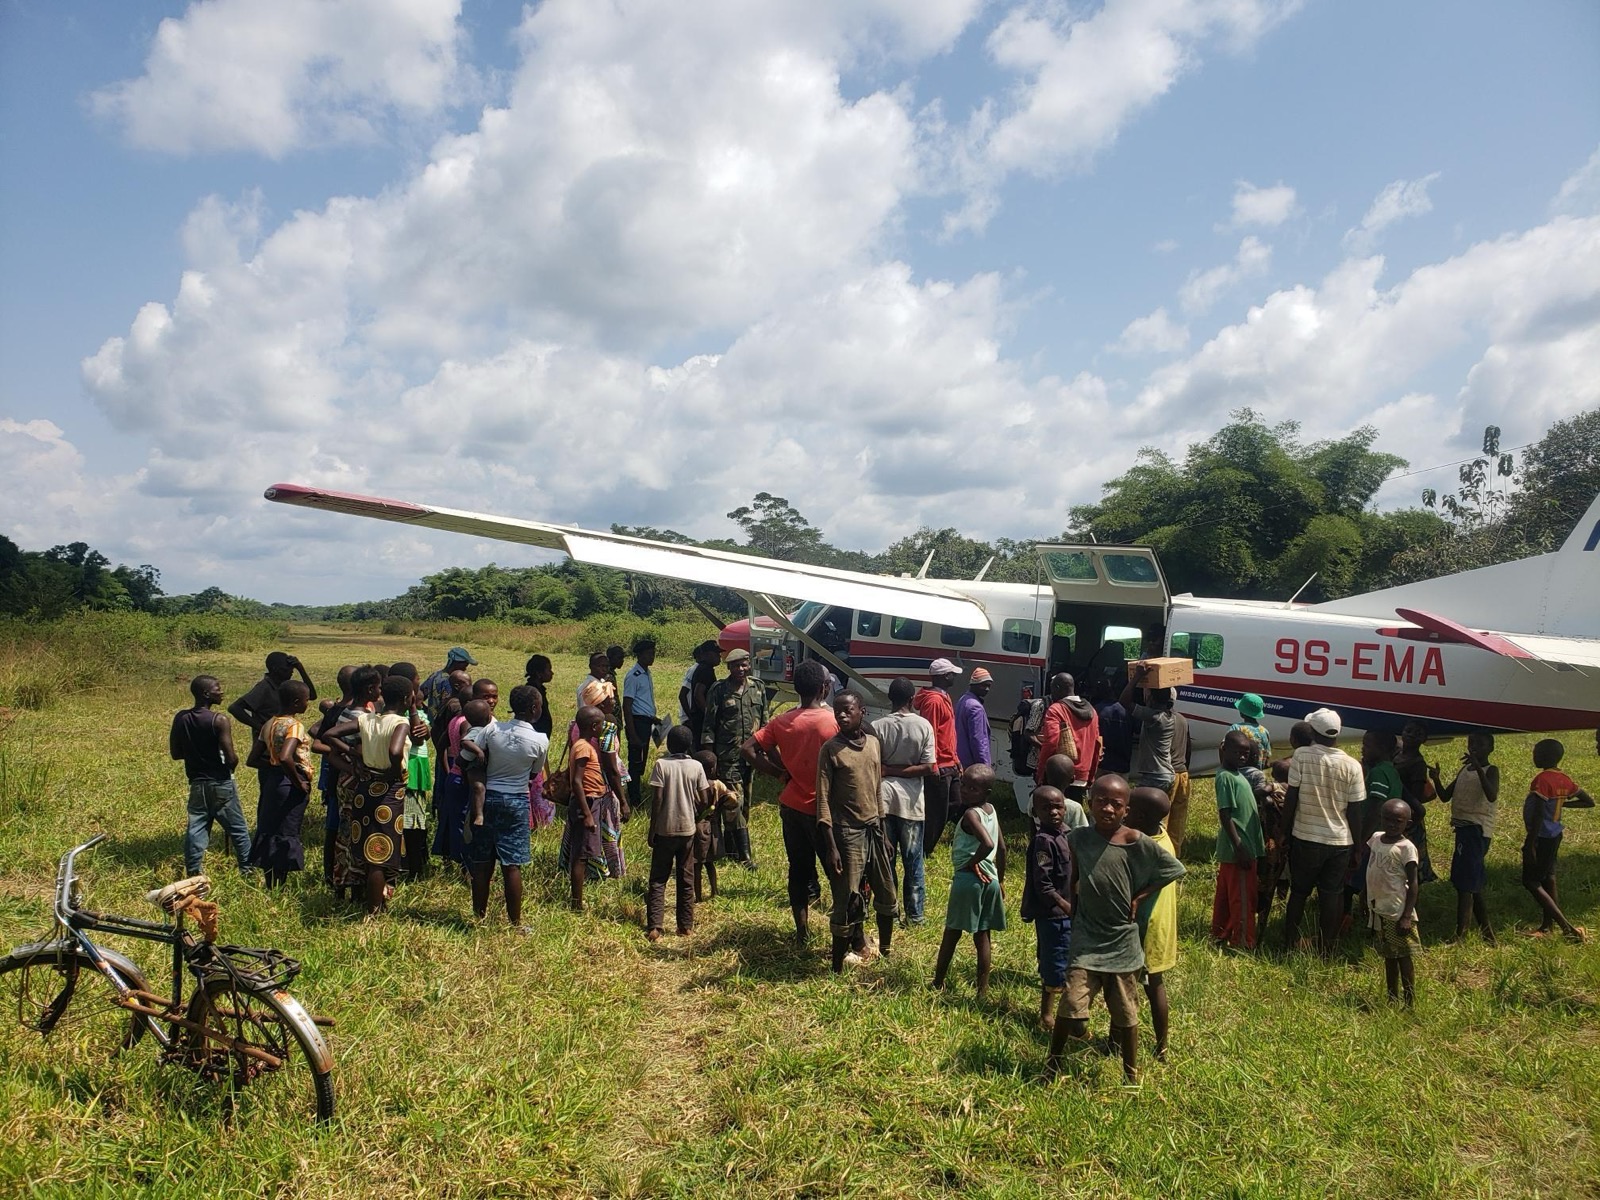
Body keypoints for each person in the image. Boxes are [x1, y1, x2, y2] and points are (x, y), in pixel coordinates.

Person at [1045, 774, 1184, 1087]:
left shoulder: (1134, 840)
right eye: (1100, 801)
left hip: (1121, 942)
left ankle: (1131, 1076)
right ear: (1090, 802)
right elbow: (1075, 877)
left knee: (1125, 1014)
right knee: (1070, 1009)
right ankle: (1052, 1064)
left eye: (1116, 805)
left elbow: (1173, 869)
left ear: (1126, 810)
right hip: (1086, 937)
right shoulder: (1078, 838)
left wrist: (1140, 896)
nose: (1107, 809)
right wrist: (1074, 905)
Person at [745, 660, 836, 943]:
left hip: (793, 805)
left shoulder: (783, 721)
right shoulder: (832, 722)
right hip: (825, 810)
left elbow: (748, 748)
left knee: (798, 869)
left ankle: (801, 931)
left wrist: (779, 773)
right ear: (824, 688)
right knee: (837, 871)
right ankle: (848, 933)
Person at [815, 691, 899, 970]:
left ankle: (886, 952)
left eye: (847, 710)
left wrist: (884, 831)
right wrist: (831, 846)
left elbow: (877, 788)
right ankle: (836, 965)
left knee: (886, 892)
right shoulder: (830, 749)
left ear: (862, 711)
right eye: (837, 711)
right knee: (847, 899)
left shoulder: (874, 744)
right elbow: (823, 800)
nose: (841, 715)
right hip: (846, 833)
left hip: (874, 829)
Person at [1280, 708, 1364, 957]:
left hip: (1305, 837)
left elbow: (1291, 798)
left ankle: (1288, 943)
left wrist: (1283, 833)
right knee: (1332, 894)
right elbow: (1355, 811)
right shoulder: (1353, 765)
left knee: (1299, 892)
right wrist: (1357, 847)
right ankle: (1328, 948)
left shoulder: (1302, 755)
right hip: (1340, 841)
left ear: (1313, 732)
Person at [465, 685, 547, 931]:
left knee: (483, 863)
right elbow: (534, 773)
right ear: (534, 709)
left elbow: (471, 755)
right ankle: (515, 923)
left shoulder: (492, 729)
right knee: (512, 864)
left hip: (488, 798)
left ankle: (478, 917)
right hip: (516, 801)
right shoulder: (540, 740)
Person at [335, 674, 411, 916]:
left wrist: (355, 756)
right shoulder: (400, 723)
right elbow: (395, 749)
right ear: (407, 698)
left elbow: (328, 735)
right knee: (379, 851)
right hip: (388, 792)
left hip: (364, 788)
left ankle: (372, 900)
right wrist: (394, 772)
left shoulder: (367, 719)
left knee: (366, 846)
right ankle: (374, 911)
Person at [931, 764, 1006, 999]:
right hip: (990, 879)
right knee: (982, 935)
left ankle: (937, 982)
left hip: (969, 880)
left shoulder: (970, 814)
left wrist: (972, 863)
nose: (964, 790)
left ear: (986, 793)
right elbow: (1002, 848)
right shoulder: (991, 810)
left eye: (973, 788)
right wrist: (1000, 880)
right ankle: (982, 990)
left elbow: (989, 845)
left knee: (951, 932)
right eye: (963, 784)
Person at [170, 674, 251, 876]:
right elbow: (231, 757)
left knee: (196, 829)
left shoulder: (181, 717)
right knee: (238, 830)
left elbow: (176, 753)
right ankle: (248, 871)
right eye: (217, 688)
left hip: (197, 783)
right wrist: (228, 764)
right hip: (221, 782)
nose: (221, 691)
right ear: (206, 693)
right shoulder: (219, 720)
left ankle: (194, 873)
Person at [872, 677, 936, 926]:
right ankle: (916, 916)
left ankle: (890, 910)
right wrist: (903, 770)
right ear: (912, 699)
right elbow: (929, 767)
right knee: (914, 862)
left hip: (884, 801)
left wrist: (889, 771)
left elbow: (876, 766)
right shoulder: (923, 726)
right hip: (911, 804)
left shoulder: (877, 726)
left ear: (890, 698)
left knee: (886, 860)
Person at [1125, 787, 1179, 1062]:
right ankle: (1161, 1047)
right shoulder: (1161, 835)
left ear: (1142, 816)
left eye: (1128, 807)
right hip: (1159, 927)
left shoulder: (1146, 847)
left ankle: (1121, 1041)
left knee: (1132, 987)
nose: (1124, 810)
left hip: (1146, 927)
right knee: (1151, 984)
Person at [1520, 738, 1593, 941]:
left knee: (1531, 881)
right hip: (1554, 835)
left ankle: (1567, 928)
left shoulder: (1542, 780)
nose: (1534, 756)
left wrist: (1530, 843)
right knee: (1549, 877)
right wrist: (1561, 804)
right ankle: (1547, 926)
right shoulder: (1564, 779)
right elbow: (1589, 802)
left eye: (1536, 753)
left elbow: (1538, 812)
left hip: (1541, 836)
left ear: (1545, 756)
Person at [1429, 732, 1499, 943]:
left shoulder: (1490, 770)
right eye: (1471, 743)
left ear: (1491, 748)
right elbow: (1444, 797)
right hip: (1463, 830)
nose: (1474, 746)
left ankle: (1461, 934)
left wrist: (1478, 766)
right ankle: (1487, 933)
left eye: (1480, 743)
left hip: (1477, 831)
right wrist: (1436, 779)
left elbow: (1491, 794)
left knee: (1466, 884)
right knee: (1470, 883)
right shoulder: (1463, 770)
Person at [703, 649, 767, 870]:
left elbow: (765, 723)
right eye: (736, 665)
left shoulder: (758, 687)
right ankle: (744, 856)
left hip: (751, 757)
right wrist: (710, 758)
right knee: (734, 802)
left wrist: (765, 750)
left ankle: (730, 848)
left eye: (744, 665)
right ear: (728, 667)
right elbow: (709, 725)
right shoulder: (719, 690)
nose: (741, 669)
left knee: (745, 804)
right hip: (728, 756)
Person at [249, 679, 315, 889]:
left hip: (273, 781)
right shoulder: (294, 726)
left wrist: (273, 764)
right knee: (287, 831)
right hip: (290, 782)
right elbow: (287, 756)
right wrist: (298, 782)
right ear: (296, 703)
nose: (307, 704)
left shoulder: (269, 723)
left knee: (270, 831)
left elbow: (252, 759)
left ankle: (271, 883)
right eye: (306, 701)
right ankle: (280, 884)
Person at [644, 726, 707, 941]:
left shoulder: (661, 765)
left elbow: (657, 799)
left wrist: (652, 829)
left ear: (669, 745)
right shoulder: (696, 766)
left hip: (664, 829)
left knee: (659, 878)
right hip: (687, 829)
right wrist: (695, 809)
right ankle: (685, 926)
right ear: (690, 745)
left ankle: (655, 926)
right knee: (685, 877)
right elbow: (704, 797)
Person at [1020, 785, 1073, 1030]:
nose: (1053, 812)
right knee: (1055, 964)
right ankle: (1048, 1016)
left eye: (1058, 806)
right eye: (1046, 807)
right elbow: (1043, 884)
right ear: (1035, 812)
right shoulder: (1042, 842)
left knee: (1067, 960)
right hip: (1054, 915)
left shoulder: (1068, 834)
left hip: (1069, 913)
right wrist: (1065, 905)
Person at [1211, 731, 1264, 950]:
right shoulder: (1225, 777)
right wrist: (1240, 846)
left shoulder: (1237, 775)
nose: (1243, 757)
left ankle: (1220, 932)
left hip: (1242, 847)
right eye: (1238, 752)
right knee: (1243, 898)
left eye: (1246, 753)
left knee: (1226, 895)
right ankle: (1243, 942)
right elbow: (1225, 814)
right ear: (1224, 751)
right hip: (1239, 849)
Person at [1366, 798, 1421, 1007]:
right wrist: (1365, 898)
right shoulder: (1376, 839)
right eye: (1387, 819)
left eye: (1397, 821)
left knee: (1403, 958)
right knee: (1389, 957)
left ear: (1407, 823)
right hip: (1379, 909)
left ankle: (1409, 1001)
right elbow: (1371, 869)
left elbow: (1414, 883)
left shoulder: (1406, 848)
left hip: (1397, 913)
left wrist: (1406, 916)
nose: (1391, 824)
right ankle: (1391, 997)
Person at [578, 680, 629, 880]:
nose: (614, 702)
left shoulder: (576, 724)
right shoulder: (606, 728)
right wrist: (623, 800)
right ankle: (602, 870)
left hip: (583, 785)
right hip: (603, 786)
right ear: (600, 705)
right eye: (610, 699)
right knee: (605, 829)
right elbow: (611, 767)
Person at [562, 705, 610, 910]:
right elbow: (577, 781)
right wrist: (588, 814)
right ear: (593, 726)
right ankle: (577, 903)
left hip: (590, 801)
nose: (603, 727)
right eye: (601, 724)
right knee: (580, 855)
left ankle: (577, 900)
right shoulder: (583, 747)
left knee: (582, 852)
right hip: (587, 802)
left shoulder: (584, 744)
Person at [387, 664, 432, 881]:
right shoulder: (400, 713)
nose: (419, 681)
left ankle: (416, 862)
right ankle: (409, 867)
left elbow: (424, 735)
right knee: (410, 821)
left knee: (416, 818)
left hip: (417, 765)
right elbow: (417, 737)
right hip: (408, 766)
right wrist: (413, 709)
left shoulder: (419, 710)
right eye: (417, 678)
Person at [913, 659, 962, 852]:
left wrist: (956, 759)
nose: (954, 677)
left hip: (950, 761)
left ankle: (927, 841)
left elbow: (948, 733)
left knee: (955, 802)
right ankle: (925, 848)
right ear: (943, 676)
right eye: (951, 673)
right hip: (940, 763)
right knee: (937, 810)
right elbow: (930, 732)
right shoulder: (934, 701)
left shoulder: (944, 697)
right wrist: (932, 763)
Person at [1035, 674, 1100, 803]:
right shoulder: (1092, 712)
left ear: (1058, 687)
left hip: (1059, 775)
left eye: (1052, 689)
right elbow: (1097, 745)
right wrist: (1091, 776)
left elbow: (1051, 742)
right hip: (1082, 777)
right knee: (1075, 817)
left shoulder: (1056, 709)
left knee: (1053, 816)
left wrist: (1041, 772)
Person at [229, 651, 317, 736]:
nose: (291, 671)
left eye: (292, 668)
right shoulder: (264, 687)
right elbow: (235, 708)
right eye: (286, 669)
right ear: (275, 669)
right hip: (267, 742)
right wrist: (261, 728)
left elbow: (312, 695)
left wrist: (300, 669)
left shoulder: (284, 686)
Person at [622, 637, 662, 813]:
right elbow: (627, 705)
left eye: (653, 653)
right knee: (635, 764)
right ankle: (634, 799)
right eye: (648, 654)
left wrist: (653, 718)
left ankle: (636, 794)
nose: (652, 657)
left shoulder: (646, 673)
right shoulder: (633, 676)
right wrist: (633, 734)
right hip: (637, 723)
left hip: (646, 721)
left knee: (642, 761)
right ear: (639, 655)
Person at [1394, 720, 1437, 884]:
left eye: (1417, 733)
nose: (1411, 735)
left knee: (1409, 866)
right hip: (1396, 809)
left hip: (1409, 816)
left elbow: (1416, 796)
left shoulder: (1418, 763)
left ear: (1424, 740)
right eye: (1409, 730)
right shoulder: (1398, 753)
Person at [691, 751, 737, 901]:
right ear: (713, 769)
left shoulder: (694, 785)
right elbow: (733, 798)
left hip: (697, 826)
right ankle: (714, 891)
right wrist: (722, 805)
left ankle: (697, 896)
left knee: (696, 864)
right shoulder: (717, 784)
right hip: (713, 826)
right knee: (710, 863)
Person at [1120, 666, 1174, 794]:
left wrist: (1137, 677)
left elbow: (1124, 702)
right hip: (1164, 774)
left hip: (1155, 776)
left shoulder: (1155, 717)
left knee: (1134, 808)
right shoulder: (1168, 715)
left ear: (1151, 699)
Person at [420, 647, 476, 731]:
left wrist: (428, 712)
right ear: (454, 663)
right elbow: (419, 696)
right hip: (448, 724)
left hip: (436, 725)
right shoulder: (454, 681)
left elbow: (420, 695)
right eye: (464, 664)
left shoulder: (435, 675)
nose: (466, 667)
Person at [680, 641, 720, 741]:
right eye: (716, 653)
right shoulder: (706, 670)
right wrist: (710, 715)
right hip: (700, 719)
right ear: (707, 654)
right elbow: (698, 695)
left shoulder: (702, 668)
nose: (719, 656)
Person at [1165, 708, 1192, 856]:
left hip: (1170, 773)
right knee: (1178, 819)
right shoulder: (1183, 719)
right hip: (1183, 773)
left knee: (1163, 818)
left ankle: (1161, 853)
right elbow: (1188, 745)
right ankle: (1175, 854)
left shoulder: (1161, 719)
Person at [954, 668, 994, 768]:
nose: (987, 689)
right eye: (983, 685)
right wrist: (984, 767)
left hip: (960, 759)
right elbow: (978, 740)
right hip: (971, 764)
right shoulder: (976, 707)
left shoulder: (964, 700)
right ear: (973, 685)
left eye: (989, 686)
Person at [1091, 681, 1132, 777]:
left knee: (1099, 791)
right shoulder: (1127, 711)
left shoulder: (1096, 710)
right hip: (1122, 765)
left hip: (1102, 764)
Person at [1040, 755, 1090, 830]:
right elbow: (1082, 833)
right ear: (1072, 779)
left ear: (1046, 776)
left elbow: (1032, 824)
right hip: (1065, 842)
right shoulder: (1074, 808)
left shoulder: (1035, 799)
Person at [1226, 693, 1273, 771]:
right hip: (1257, 774)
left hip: (1238, 774)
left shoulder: (1236, 728)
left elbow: (1223, 747)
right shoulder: (1264, 731)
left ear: (1242, 712)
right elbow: (1267, 756)